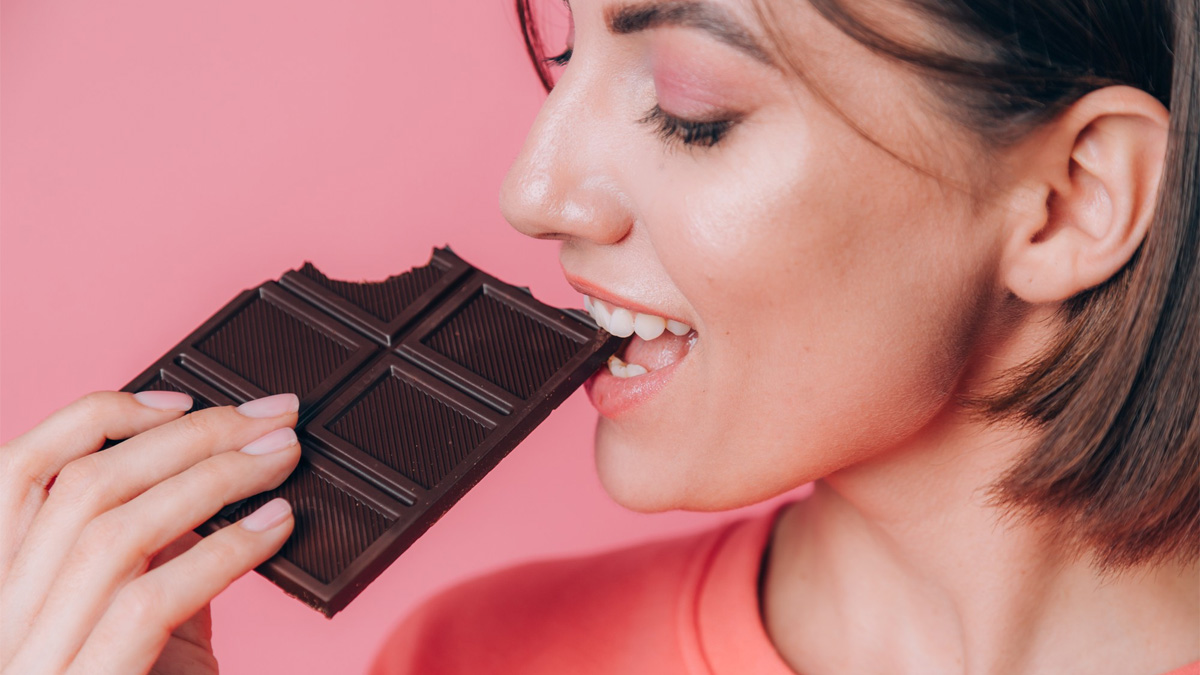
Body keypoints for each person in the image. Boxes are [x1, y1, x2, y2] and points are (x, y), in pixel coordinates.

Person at [1, 0, 1195, 672]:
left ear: (1072, 197)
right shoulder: (479, 662)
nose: (533, 190)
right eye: (566, 61)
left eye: (691, 110)